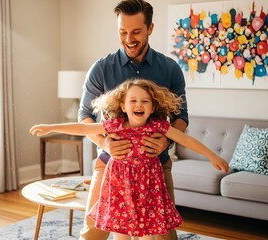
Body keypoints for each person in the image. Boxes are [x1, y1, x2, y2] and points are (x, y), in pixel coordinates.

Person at [30, 79, 229, 240]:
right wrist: (50, 127)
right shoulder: (115, 125)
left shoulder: (159, 126)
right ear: (123, 106)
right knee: (121, 233)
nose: (139, 105)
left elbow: (186, 139)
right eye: (133, 101)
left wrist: (213, 156)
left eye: (145, 101)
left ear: (152, 107)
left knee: (148, 233)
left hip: (148, 188)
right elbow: (83, 128)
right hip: (119, 188)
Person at [79, 1, 188, 239]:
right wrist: (105, 144)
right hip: (110, 164)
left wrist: (164, 141)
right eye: (122, 32)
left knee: (163, 236)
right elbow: (85, 117)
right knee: (92, 233)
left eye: (136, 31)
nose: (129, 38)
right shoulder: (100, 69)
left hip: (156, 165)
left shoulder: (170, 69)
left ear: (150, 28)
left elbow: (181, 118)